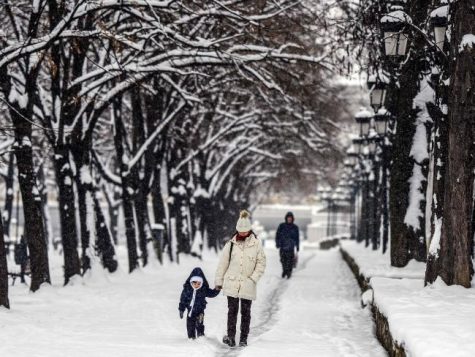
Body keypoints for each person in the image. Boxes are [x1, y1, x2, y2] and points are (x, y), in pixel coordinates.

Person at [215, 210, 266, 348]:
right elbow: (223, 264)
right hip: (232, 283)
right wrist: (219, 281)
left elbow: (261, 263)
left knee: (246, 313)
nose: (243, 234)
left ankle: (243, 338)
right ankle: (231, 337)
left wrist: (253, 278)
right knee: (232, 312)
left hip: (248, 284)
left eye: (245, 231)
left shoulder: (256, 244)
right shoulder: (230, 245)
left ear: (249, 230)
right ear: (237, 230)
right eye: (240, 231)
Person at [178, 267, 220, 339]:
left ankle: (201, 336)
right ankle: (191, 338)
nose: (196, 285)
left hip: (200, 311)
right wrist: (181, 309)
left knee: (200, 324)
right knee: (190, 325)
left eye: (199, 283)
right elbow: (183, 300)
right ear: (191, 282)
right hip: (190, 312)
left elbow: (211, 294)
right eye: (194, 283)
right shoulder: (187, 290)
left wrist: (216, 290)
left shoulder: (203, 290)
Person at [275, 211, 300, 279]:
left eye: (290, 218)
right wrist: (277, 243)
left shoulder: (295, 227)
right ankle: (284, 270)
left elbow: (297, 238)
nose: (289, 219)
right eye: (288, 218)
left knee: (290, 260)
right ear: (286, 218)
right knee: (283, 260)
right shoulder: (281, 226)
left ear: (292, 219)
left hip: (290, 247)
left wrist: (297, 246)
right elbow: (277, 235)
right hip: (282, 246)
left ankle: (289, 272)